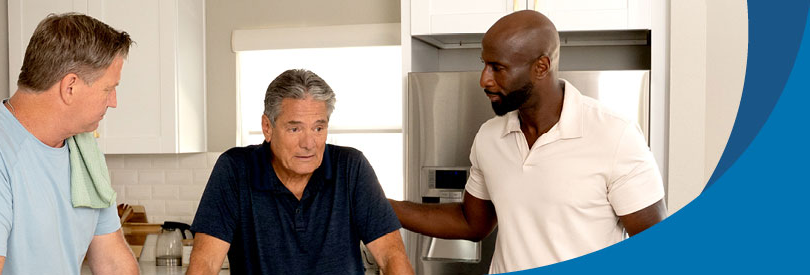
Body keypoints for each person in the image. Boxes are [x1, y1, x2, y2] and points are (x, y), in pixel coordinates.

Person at [389, 10, 667, 274]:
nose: (484, 79)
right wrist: (379, 204)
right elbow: (471, 222)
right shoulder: (489, 137)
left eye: (498, 67)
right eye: (484, 64)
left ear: (541, 67)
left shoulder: (614, 135)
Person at [0, 13, 138, 275]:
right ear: (70, 86)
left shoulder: (84, 151)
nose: (113, 101)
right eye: (108, 89)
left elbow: (113, 264)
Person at [187, 69, 413, 275]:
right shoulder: (235, 169)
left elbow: (392, 256)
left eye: (318, 128)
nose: (309, 143)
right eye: (295, 128)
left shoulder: (351, 166)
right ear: (268, 127)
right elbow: (205, 264)